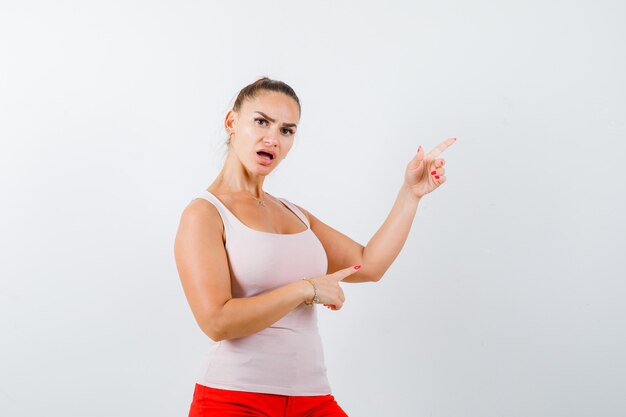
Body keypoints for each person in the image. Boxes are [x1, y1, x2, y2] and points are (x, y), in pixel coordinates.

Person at [174, 77, 456, 417]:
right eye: (261, 121)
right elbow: (216, 321)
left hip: (312, 398)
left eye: (286, 130)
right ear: (232, 122)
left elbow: (369, 265)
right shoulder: (205, 213)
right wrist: (305, 289)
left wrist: (410, 194)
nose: (272, 138)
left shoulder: (294, 213)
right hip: (234, 399)